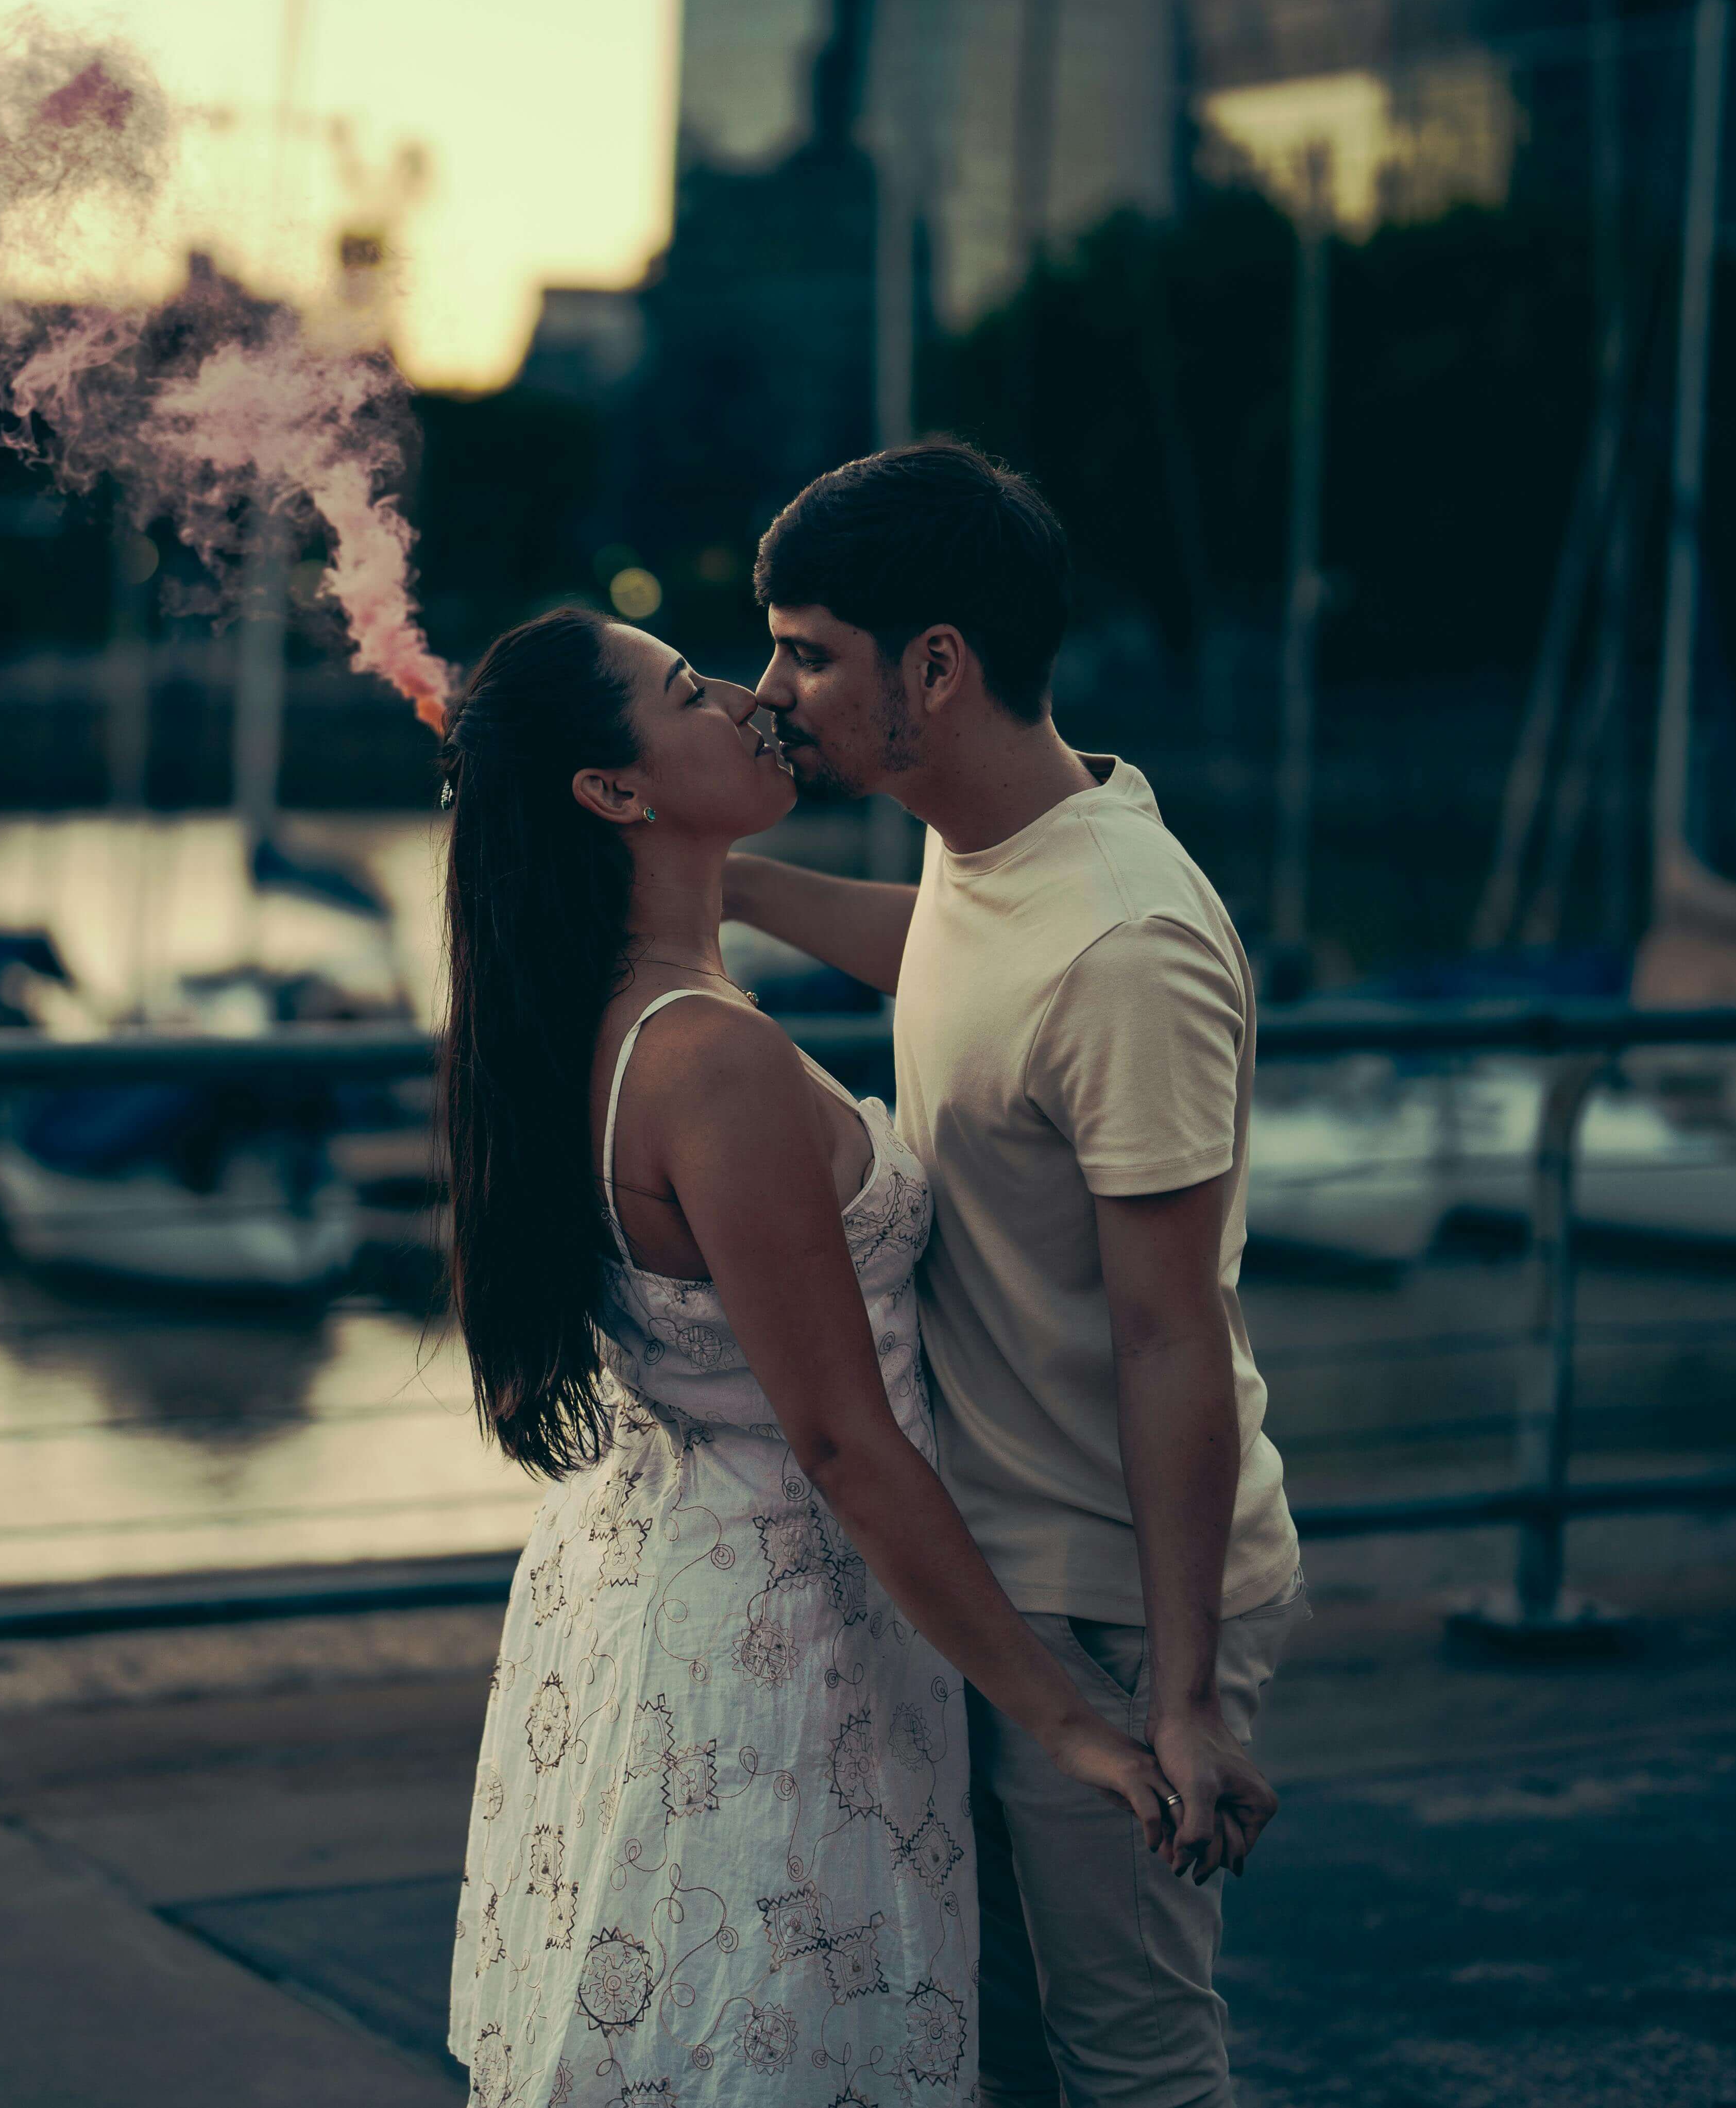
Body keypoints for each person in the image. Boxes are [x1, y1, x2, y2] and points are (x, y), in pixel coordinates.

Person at [439, 608, 1190, 2108]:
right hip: (791, 1647)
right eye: (683, 690)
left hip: (670, 1596)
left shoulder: (604, 1012)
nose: (741, 698)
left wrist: (732, 869)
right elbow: (842, 1437)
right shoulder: (707, 1060)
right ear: (613, 791)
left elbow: (988, 959)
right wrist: (1071, 1720)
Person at [728, 438, 1307, 2108]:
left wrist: (1182, 1696)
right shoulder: (995, 850)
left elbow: (1168, 1335)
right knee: (990, 2054)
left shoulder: (1126, 944)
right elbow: (951, 965)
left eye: (807, 650)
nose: (774, 691)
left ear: (934, 667)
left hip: (1117, 1595)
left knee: (1129, 2065)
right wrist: (730, 885)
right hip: (1002, 1570)